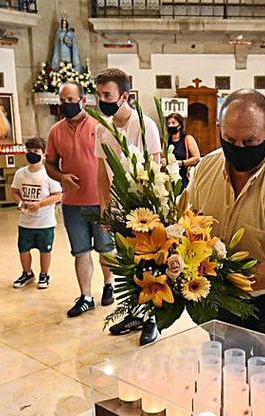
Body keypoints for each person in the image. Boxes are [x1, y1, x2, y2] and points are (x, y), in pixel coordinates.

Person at [181, 89, 265, 344]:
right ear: (219, 128)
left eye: (250, 142)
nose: (238, 148)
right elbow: (190, 223)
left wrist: (226, 286)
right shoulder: (206, 167)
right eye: (229, 139)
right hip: (222, 288)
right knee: (225, 362)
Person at [93, 68, 162, 345]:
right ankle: (135, 313)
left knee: (148, 265)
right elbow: (101, 171)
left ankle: (153, 320)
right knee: (127, 265)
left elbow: (155, 168)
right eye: (99, 95)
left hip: (144, 210)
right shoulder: (101, 127)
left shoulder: (144, 125)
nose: (102, 100)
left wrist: (151, 212)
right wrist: (104, 208)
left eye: (107, 95)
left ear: (124, 95)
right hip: (118, 208)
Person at [45, 82, 116, 318]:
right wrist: (61, 176)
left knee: (106, 247)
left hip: (100, 200)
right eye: (63, 100)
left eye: (70, 100)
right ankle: (86, 296)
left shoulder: (100, 125)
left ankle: (109, 284)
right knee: (81, 251)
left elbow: (113, 161)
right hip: (72, 203)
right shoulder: (56, 131)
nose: (66, 105)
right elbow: (49, 163)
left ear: (83, 101)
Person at [11, 138, 62, 290]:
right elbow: (14, 191)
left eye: (36, 152)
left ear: (43, 153)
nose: (32, 154)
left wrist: (39, 204)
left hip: (45, 223)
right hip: (25, 222)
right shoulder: (20, 173)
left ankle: (44, 275)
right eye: (29, 151)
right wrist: (21, 203)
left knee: (45, 250)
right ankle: (27, 273)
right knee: (23, 249)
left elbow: (58, 195)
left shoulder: (48, 174)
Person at [166, 113, 201, 190]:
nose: (170, 125)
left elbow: (197, 158)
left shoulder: (187, 139)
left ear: (180, 125)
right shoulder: (166, 141)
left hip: (184, 178)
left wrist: (181, 163)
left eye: (173, 123)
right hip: (168, 180)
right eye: (168, 123)